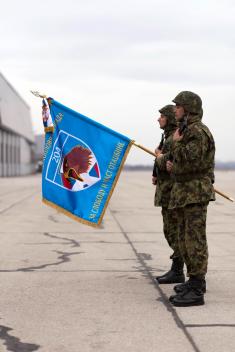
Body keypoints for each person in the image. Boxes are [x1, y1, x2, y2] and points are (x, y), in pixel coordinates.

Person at [166, 91, 215, 307]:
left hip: (194, 193)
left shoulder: (197, 132)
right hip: (186, 193)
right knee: (185, 239)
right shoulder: (187, 130)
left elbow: (192, 161)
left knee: (194, 240)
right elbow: (183, 162)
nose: (175, 109)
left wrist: (176, 146)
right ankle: (193, 281)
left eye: (178, 106)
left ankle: (197, 288)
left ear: (188, 108)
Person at [153, 105, 185, 284]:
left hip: (172, 192)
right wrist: (155, 170)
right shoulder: (167, 136)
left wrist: (159, 156)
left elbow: (170, 161)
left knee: (174, 231)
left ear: (170, 119)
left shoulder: (174, 137)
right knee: (170, 230)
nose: (158, 119)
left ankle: (178, 270)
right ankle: (177, 268)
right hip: (167, 190)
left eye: (162, 116)